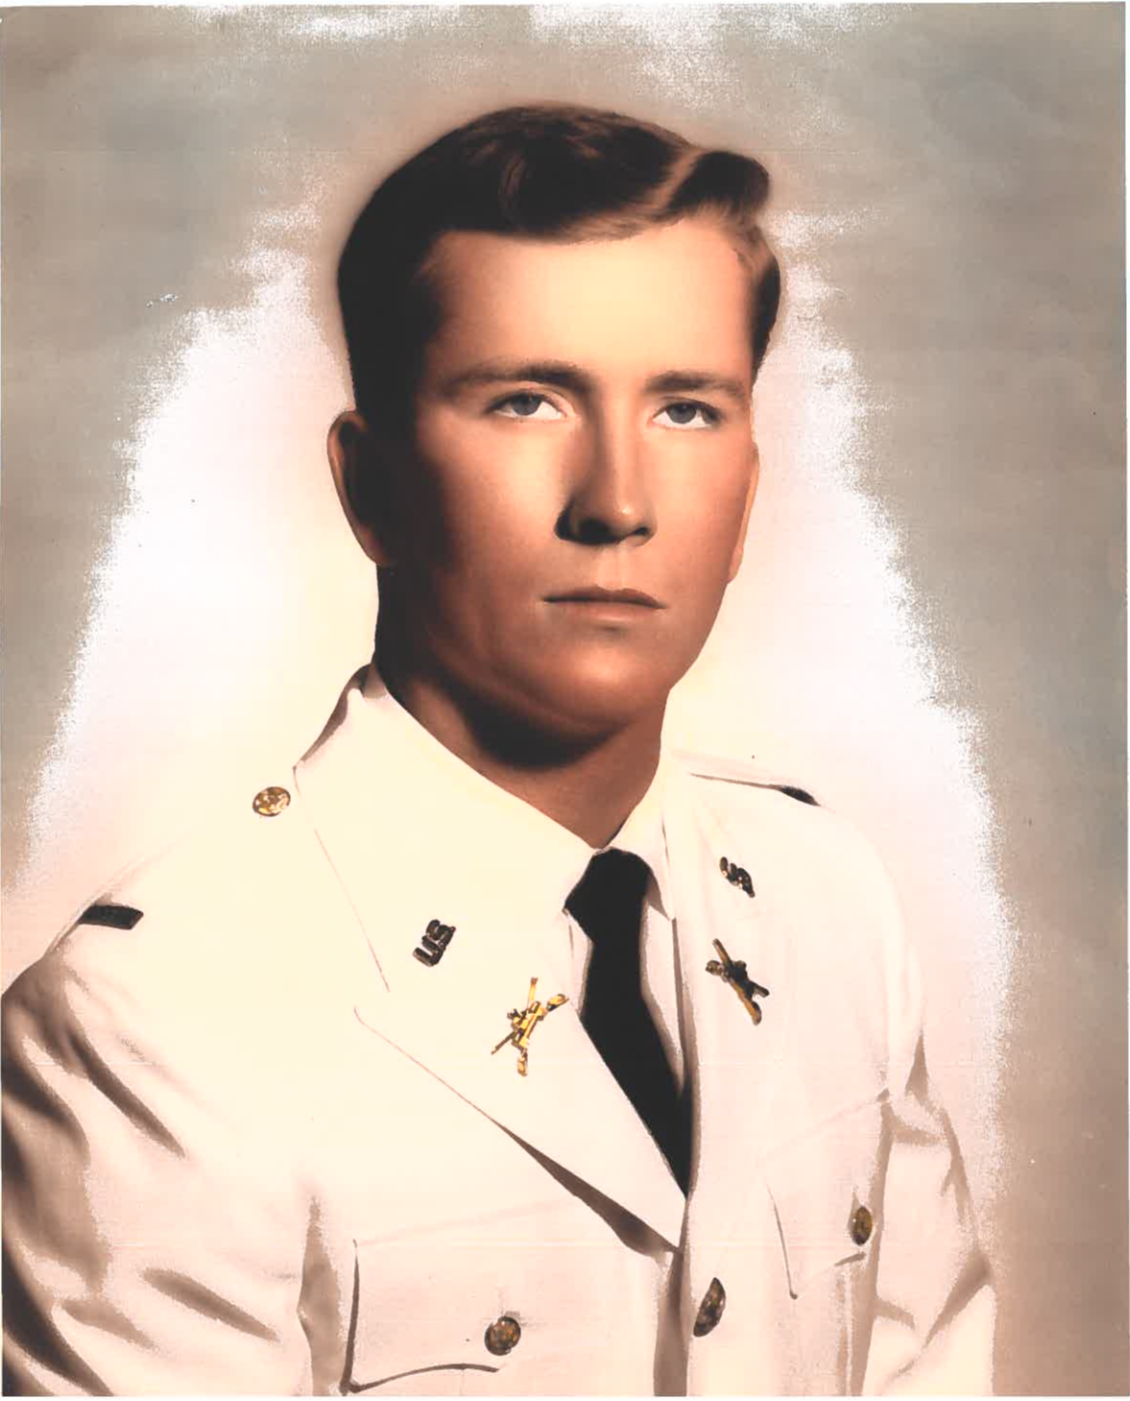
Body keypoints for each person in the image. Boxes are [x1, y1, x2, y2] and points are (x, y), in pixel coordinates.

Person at [2, 104, 994, 1395]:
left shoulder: (830, 900)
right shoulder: (150, 1028)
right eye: (526, 401)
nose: (619, 503)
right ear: (373, 491)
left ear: (748, 488)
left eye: (687, 410)